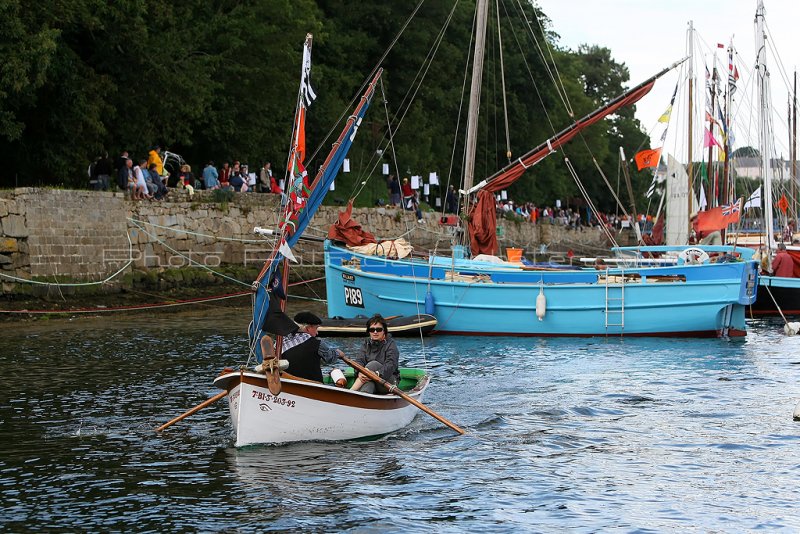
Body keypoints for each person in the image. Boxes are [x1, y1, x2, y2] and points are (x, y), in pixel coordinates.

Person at [262, 311, 344, 382]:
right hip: (314, 387)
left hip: (288, 384)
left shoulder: (280, 343)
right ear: (308, 328)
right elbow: (330, 358)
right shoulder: (317, 344)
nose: (317, 333)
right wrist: (338, 353)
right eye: (316, 328)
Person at [350, 314, 400, 394]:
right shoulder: (365, 344)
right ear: (369, 331)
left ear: (384, 331)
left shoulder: (391, 344)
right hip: (369, 379)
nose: (375, 332)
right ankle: (363, 400)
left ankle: (351, 391)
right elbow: (359, 361)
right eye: (372, 330)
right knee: (368, 382)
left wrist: (377, 374)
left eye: (379, 329)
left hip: (388, 382)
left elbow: (391, 365)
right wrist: (359, 373)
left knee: (373, 364)